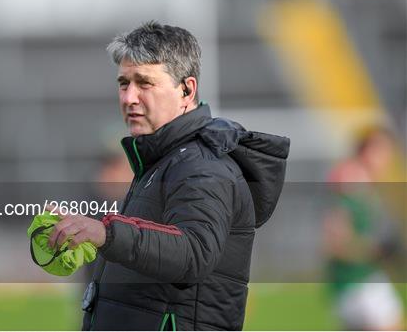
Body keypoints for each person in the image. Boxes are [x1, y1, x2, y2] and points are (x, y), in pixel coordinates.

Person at [46, 21, 290, 330]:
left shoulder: (201, 166)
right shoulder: (162, 161)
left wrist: (106, 233)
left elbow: (193, 252)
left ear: (186, 90)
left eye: (144, 83)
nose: (129, 97)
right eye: (124, 83)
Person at [324, 127, 405, 330]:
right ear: (366, 150)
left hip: (352, 283)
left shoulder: (364, 183)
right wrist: (376, 251)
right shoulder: (351, 181)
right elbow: (335, 239)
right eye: (382, 151)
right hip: (358, 283)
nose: (386, 159)